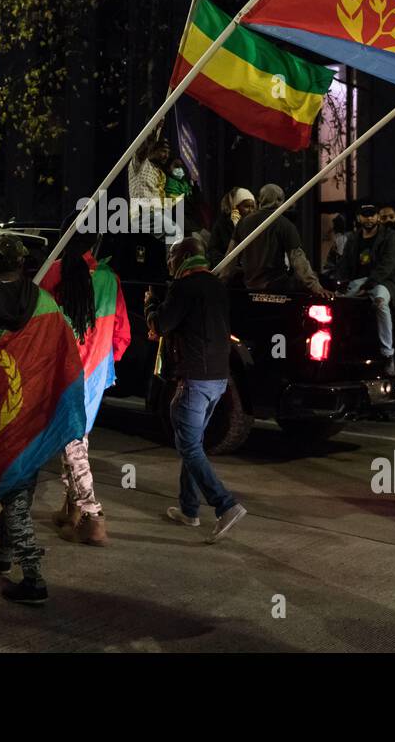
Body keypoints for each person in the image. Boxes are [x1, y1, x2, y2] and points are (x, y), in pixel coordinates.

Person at [0, 233, 85, 604]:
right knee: (21, 480)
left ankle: (33, 577)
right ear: (24, 262)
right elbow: (63, 350)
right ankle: (4, 553)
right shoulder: (44, 302)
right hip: (37, 405)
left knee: (14, 489)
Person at [145, 238, 247, 542]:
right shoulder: (217, 285)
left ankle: (225, 505)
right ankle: (189, 510)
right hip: (219, 378)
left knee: (188, 446)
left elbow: (161, 325)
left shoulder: (184, 287)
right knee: (194, 443)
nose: (169, 264)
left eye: (172, 257)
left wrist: (150, 303)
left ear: (184, 257)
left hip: (195, 379)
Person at [39, 229, 131, 545]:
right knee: (78, 440)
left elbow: (37, 326)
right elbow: (122, 334)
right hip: (94, 374)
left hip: (62, 371)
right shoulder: (109, 278)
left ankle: (93, 516)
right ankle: (72, 509)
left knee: (72, 443)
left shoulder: (53, 273)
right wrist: (104, 360)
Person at [335, 201, 395, 375]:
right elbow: (344, 264)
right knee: (337, 304)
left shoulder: (389, 236)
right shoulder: (353, 238)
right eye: (365, 215)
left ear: (378, 216)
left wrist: (369, 284)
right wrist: (341, 283)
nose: (369, 218)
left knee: (380, 302)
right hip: (358, 282)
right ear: (359, 217)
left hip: (383, 282)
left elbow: (387, 265)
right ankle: (339, 348)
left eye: (372, 214)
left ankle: (388, 354)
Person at [228, 183, 329, 296]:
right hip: (276, 286)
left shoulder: (243, 223)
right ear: (280, 200)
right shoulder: (285, 225)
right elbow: (298, 260)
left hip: (249, 285)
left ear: (260, 199)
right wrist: (316, 287)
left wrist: (219, 282)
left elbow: (230, 257)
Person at [206, 187, 255, 268]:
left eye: (252, 207)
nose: (250, 210)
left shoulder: (255, 224)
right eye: (246, 206)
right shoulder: (222, 224)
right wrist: (226, 266)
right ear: (237, 207)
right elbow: (213, 250)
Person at [321, 212, 349, 283]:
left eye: (333, 225)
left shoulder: (341, 238)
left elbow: (340, 256)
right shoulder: (337, 237)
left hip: (336, 271)